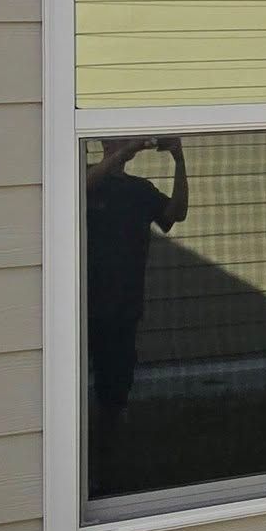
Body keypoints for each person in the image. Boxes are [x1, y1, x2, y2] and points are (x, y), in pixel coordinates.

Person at [84, 136, 189, 416]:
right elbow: (80, 189)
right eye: (119, 140)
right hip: (83, 303)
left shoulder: (138, 190)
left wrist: (179, 160)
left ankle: (110, 432)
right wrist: (127, 150)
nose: (126, 145)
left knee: (116, 378)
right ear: (105, 144)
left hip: (124, 303)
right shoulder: (85, 177)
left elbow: (176, 213)